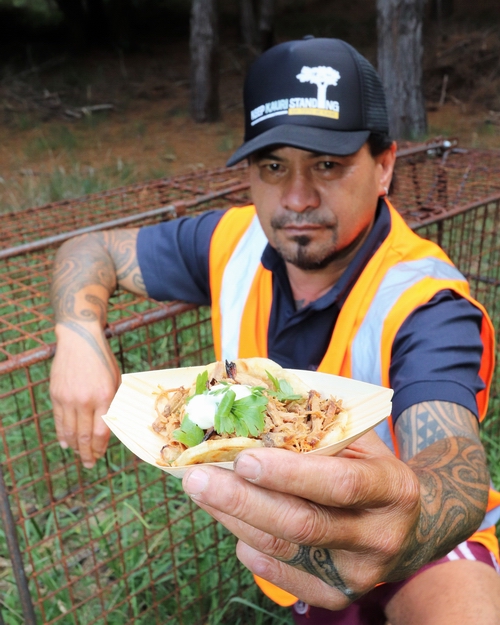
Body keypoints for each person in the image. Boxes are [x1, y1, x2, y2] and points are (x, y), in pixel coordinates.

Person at [50, 37, 500, 624]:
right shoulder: (230, 240)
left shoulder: (426, 301)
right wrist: (79, 335)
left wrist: (409, 522)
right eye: (272, 166)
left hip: (425, 545)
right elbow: (88, 248)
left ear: (385, 165)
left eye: (329, 165)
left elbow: (457, 468)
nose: (296, 198)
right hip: (302, 559)